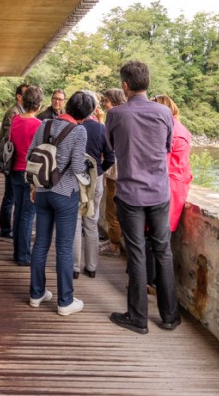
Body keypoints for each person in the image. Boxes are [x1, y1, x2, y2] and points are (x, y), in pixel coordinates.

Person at [106, 61, 181, 334]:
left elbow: (112, 147)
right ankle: (170, 316)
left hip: (130, 194)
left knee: (137, 254)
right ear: (147, 82)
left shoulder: (116, 115)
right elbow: (168, 146)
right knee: (163, 251)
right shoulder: (164, 113)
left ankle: (138, 318)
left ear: (125, 85)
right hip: (159, 192)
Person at [28, 91, 92, 317]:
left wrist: (34, 187)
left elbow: (31, 156)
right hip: (65, 194)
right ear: (86, 115)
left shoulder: (44, 125)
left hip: (43, 192)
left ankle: (36, 294)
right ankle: (65, 300)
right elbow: (76, 167)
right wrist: (87, 170)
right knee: (64, 248)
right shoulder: (79, 131)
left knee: (41, 243)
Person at [145, 94, 193, 287]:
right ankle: (153, 282)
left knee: (155, 236)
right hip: (177, 186)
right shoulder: (181, 129)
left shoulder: (168, 130)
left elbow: (160, 163)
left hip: (167, 188)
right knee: (161, 236)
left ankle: (151, 282)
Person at [72, 90, 114, 279]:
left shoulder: (72, 128)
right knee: (92, 223)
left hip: (76, 179)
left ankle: (74, 267)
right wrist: (98, 171)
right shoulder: (101, 129)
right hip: (94, 179)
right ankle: (91, 266)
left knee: (74, 223)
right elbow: (110, 158)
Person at [8, 85, 43, 266]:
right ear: (39, 105)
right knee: (28, 214)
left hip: (15, 170)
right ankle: (23, 256)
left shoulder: (14, 120)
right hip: (31, 174)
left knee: (18, 210)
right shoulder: (39, 125)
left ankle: (17, 252)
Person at [0, 83, 28, 240]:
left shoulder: (19, 112)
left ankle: (10, 228)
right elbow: (10, 139)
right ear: (19, 97)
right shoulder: (13, 113)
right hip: (12, 162)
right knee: (10, 196)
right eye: (26, 94)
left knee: (11, 196)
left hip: (14, 161)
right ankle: (6, 229)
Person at [98, 88, 127, 257]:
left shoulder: (114, 115)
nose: (104, 104)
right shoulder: (125, 114)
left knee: (112, 209)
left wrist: (101, 121)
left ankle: (114, 245)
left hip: (115, 171)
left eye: (106, 101)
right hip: (123, 170)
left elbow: (107, 139)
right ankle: (113, 241)